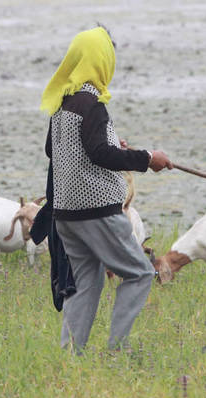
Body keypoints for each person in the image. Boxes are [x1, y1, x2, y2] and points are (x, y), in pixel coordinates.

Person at [37, 25, 173, 353]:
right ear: (101, 61)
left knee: (87, 282)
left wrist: (113, 143)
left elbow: (55, 149)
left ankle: (70, 354)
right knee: (140, 273)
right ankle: (118, 349)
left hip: (66, 215)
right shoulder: (92, 105)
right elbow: (99, 154)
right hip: (95, 211)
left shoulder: (63, 103)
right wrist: (147, 158)